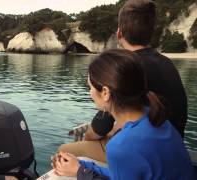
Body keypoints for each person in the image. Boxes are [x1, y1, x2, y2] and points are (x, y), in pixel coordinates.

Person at [58, 0, 188, 163]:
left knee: (65, 151)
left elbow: (98, 130)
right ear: (151, 32)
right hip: (171, 142)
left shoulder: (128, 67)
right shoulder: (166, 63)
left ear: (119, 33)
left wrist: (87, 136)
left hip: (148, 152)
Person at [53, 49, 196, 180]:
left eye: (89, 87)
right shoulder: (155, 116)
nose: (90, 92)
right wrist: (81, 166)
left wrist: (80, 173)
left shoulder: (121, 146)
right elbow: (125, 174)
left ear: (105, 93)